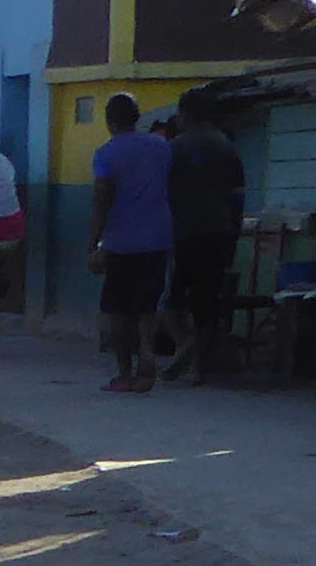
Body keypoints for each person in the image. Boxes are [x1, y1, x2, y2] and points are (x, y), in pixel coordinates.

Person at [85, 92, 179, 394]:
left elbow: (102, 200)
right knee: (147, 305)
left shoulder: (106, 153)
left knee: (117, 310)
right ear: (138, 118)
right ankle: (148, 355)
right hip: (159, 237)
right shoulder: (162, 147)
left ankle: (125, 373)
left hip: (122, 242)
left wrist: (93, 243)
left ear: (110, 121)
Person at [162, 110, 247, 377]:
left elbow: (162, 193)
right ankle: (198, 367)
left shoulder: (174, 149)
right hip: (219, 232)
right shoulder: (227, 148)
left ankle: (184, 344)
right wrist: (234, 231)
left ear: (185, 115)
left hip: (184, 232)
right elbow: (237, 197)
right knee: (206, 301)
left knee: (172, 300)